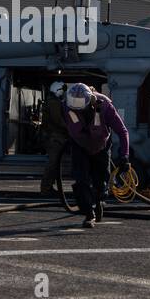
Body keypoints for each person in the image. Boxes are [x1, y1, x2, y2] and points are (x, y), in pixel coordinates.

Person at [62, 83, 129, 228]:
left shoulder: (105, 107)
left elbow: (123, 131)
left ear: (90, 101)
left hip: (101, 147)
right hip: (80, 146)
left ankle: (98, 201)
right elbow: (68, 126)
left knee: (101, 182)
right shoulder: (67, 107)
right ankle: (88, 213)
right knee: (81, 180)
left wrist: (124, 155)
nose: (76, 108)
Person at [39, 81, 68, 195]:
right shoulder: (54, 103)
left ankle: (48, 187)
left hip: (54, 136)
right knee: (53, 163)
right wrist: (71, 129)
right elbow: (58, 120)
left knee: (55, 163)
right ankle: (46, 188)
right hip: (55, 137)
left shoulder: (53, 102)